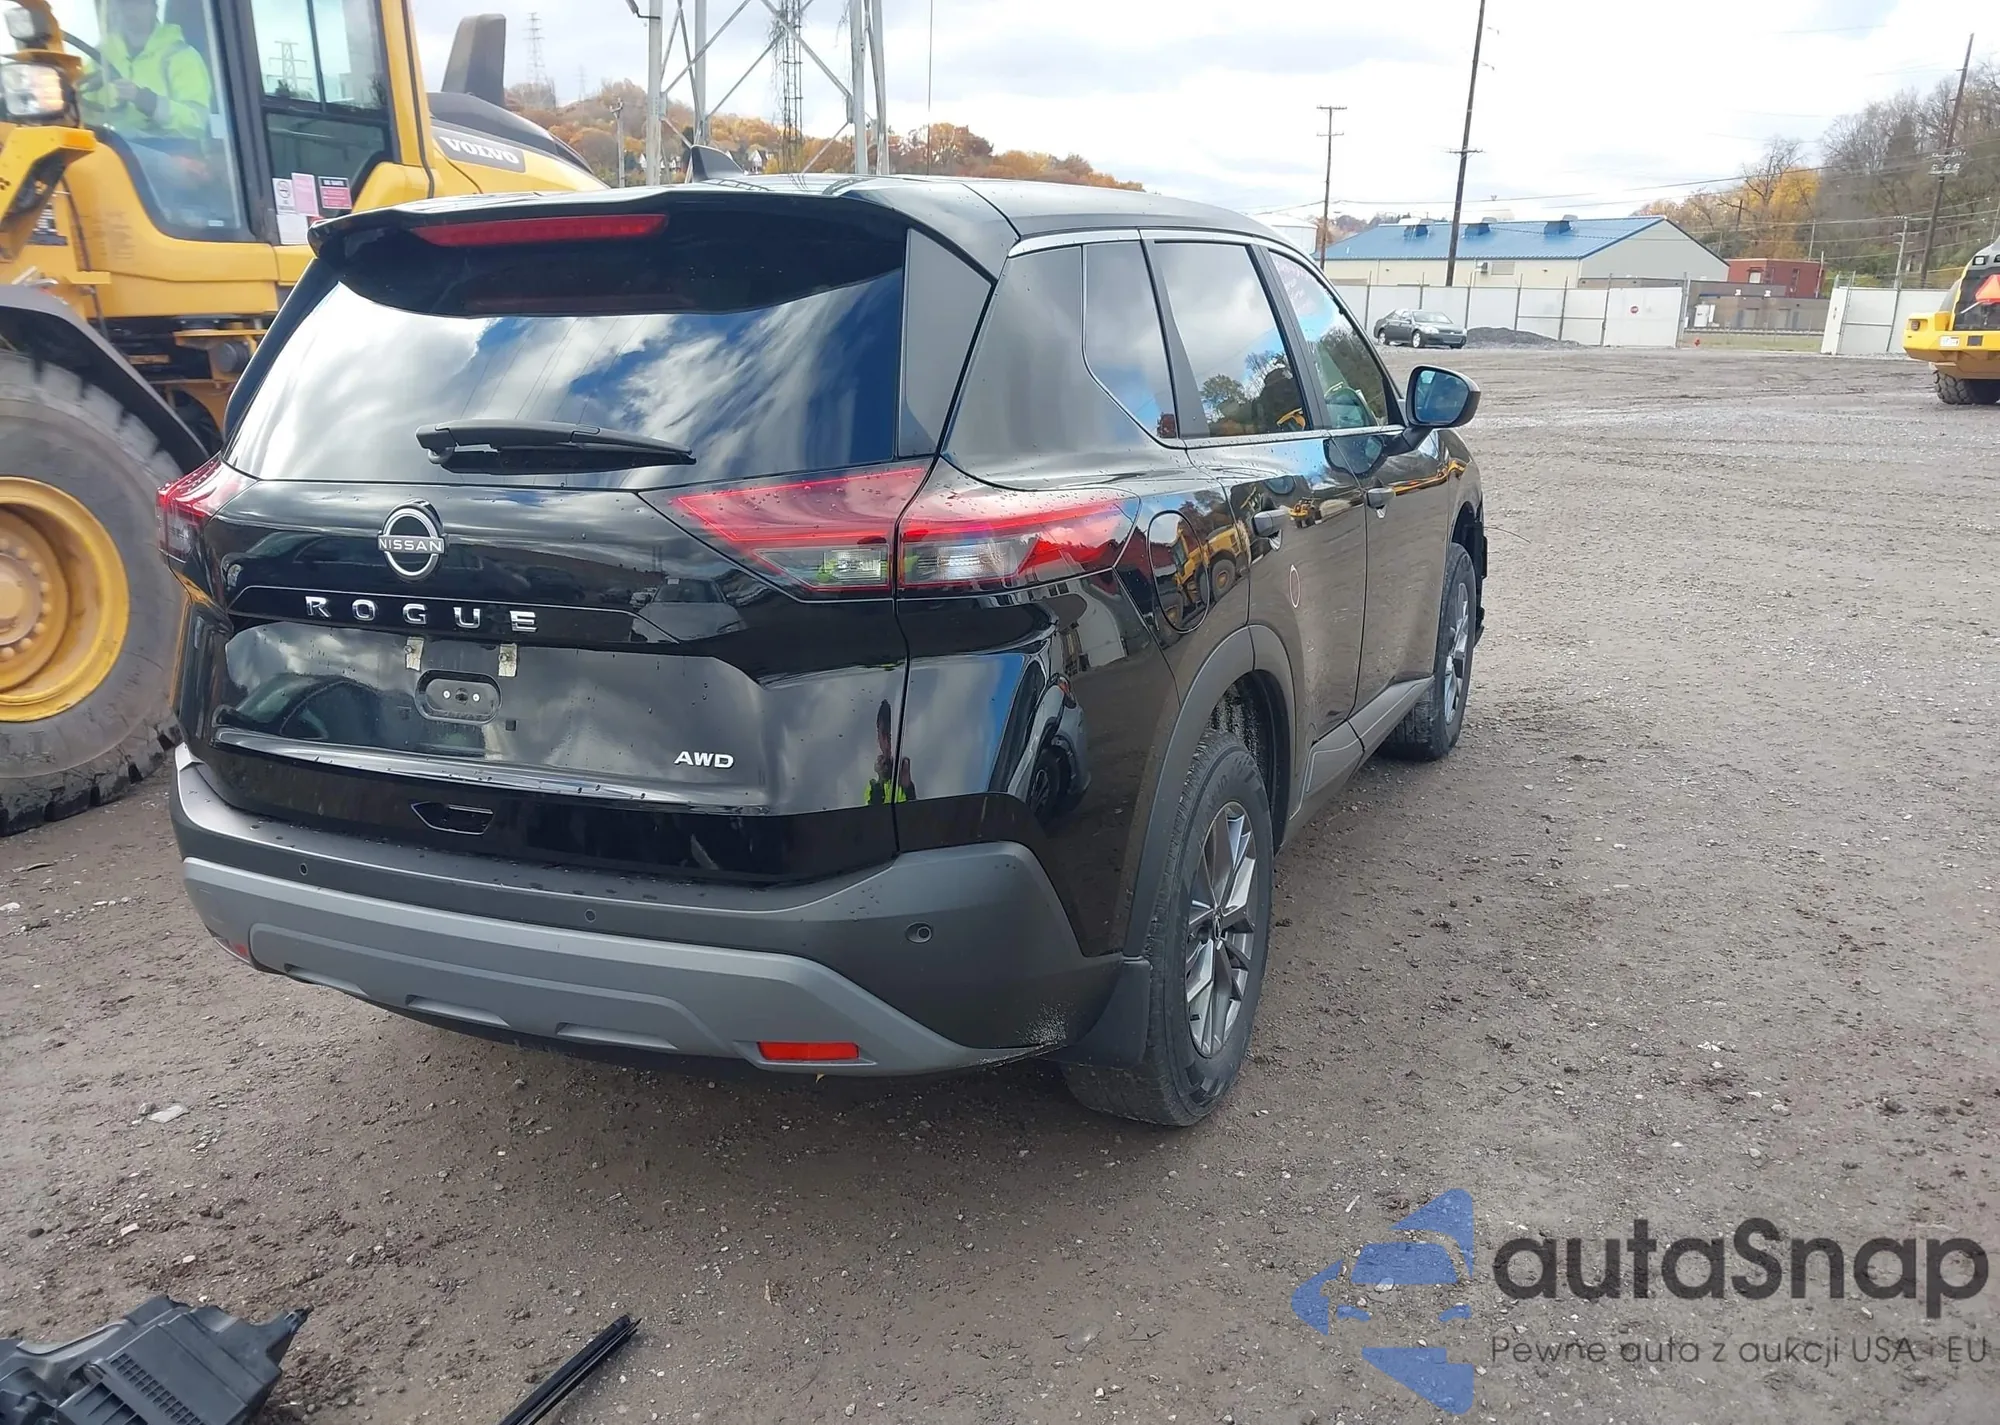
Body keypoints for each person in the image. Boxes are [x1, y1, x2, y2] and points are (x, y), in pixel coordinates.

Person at [81, 0, 212, 141]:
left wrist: (148, 101)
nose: (130, 8)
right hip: (111, 146)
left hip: (169, 150)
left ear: (154, 7)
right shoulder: (101, 56)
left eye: (139, 2)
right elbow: (83, 111)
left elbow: (197, 123)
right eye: (124, 3)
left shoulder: (181, 56)